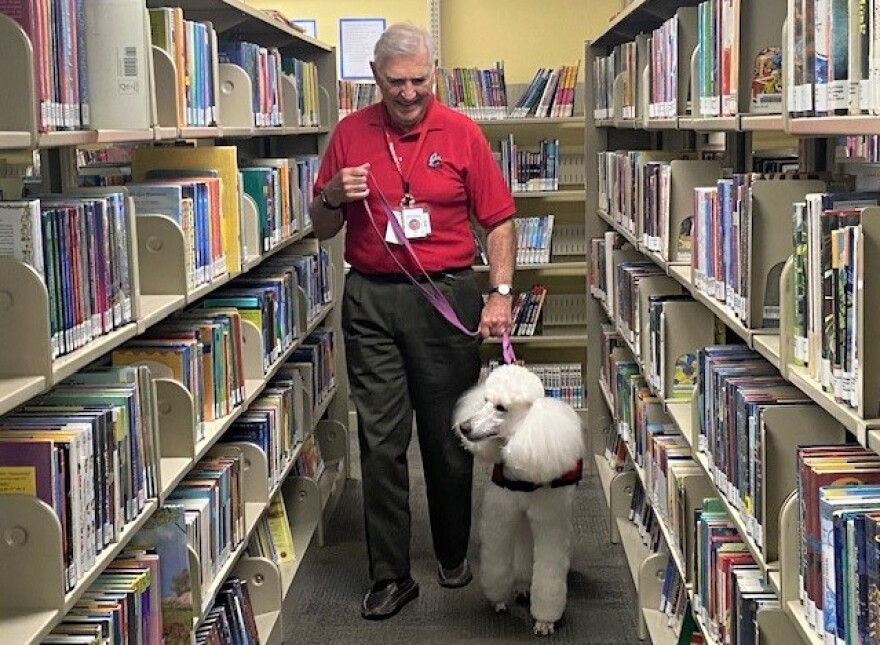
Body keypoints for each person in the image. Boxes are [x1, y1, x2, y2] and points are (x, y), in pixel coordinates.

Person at [308, 22, 516, 620]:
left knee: (448, 434)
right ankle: (390, 574)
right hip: (371, 298)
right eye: (395, 82)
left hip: (445, 297)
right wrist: (330, 200)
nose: (407, 93)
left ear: (434, 76)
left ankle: (453, 552)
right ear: (375, 79)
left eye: (419, 81)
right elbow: (322, 228)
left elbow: (498, 220)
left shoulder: (461, 133)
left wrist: (500, 294)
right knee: (380, 439)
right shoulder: (349, 134)